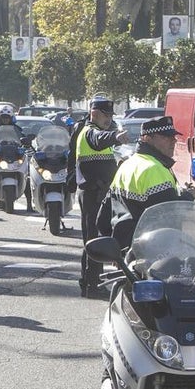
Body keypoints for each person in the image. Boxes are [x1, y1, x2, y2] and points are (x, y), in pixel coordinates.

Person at [100, 116, 195, 249]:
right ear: (147, 139)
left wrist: (115, 249)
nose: (173, 141)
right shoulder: (154, 169)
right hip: (154, 252)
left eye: (173, 137)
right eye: (166, 137)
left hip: (126, 250)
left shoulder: (127, 164)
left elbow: (103, 217)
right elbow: (171, 215)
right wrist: (188, 196)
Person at [68, 96, 130, 296]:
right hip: (92, 194)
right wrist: (115, 137)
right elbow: (98, 140)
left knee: (99, 238)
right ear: (94, 114)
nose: (109, 119)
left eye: (111, 115)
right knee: (93, 239)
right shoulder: (89, 132)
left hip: (99, 194)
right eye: (106, 115)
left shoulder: (100, 131)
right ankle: (91, 285)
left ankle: (93, 282)